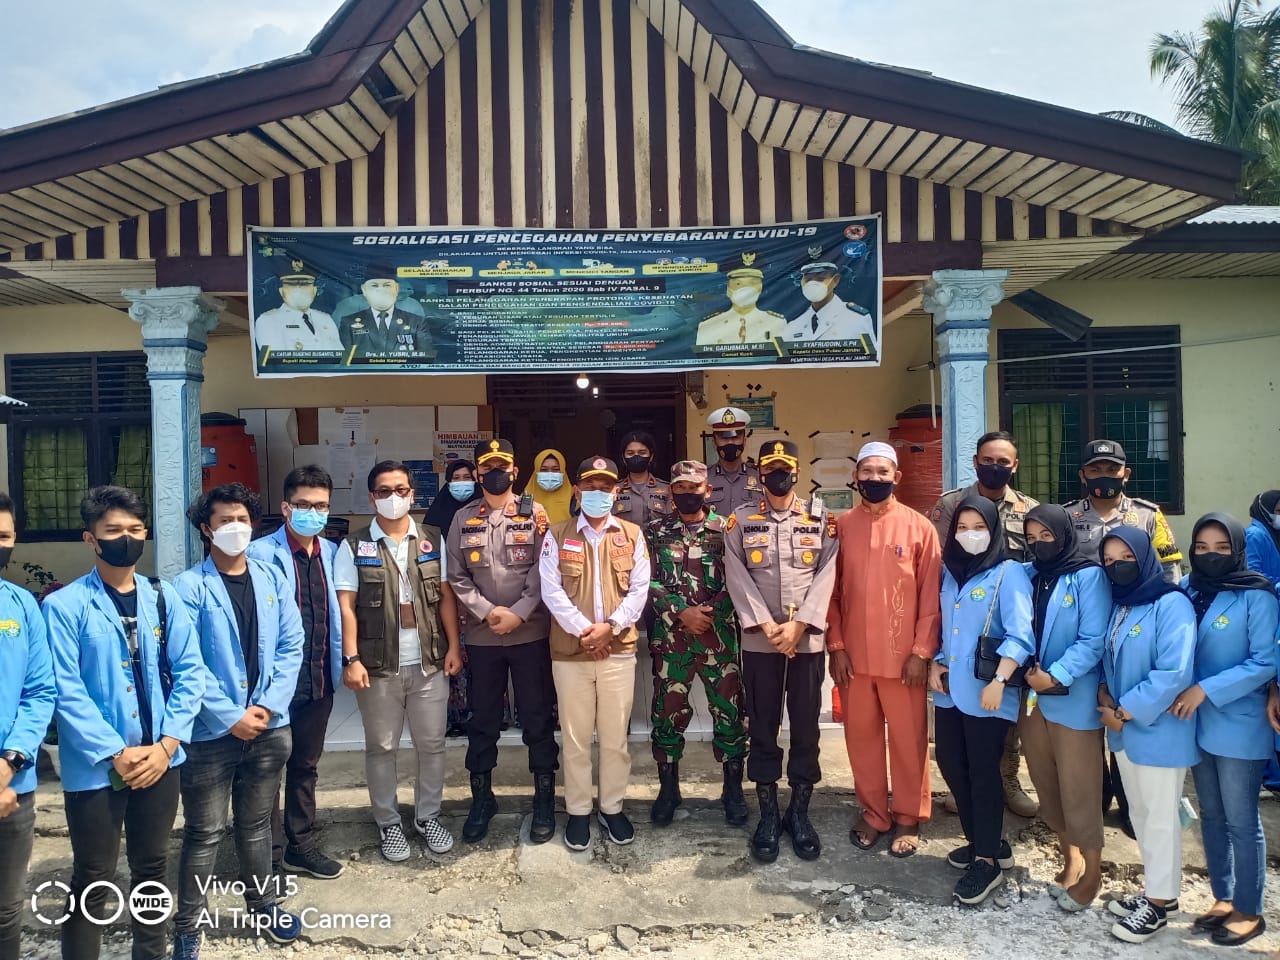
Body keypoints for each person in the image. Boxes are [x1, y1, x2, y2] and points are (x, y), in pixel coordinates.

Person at [42, 486, 204, 960]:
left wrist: (167, 745)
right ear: (90, 538)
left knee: (152, 868)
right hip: (96, 767)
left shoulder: (162, 597)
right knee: (93, 873)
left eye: (135, 530)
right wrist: (116, 751)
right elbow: (65, 689)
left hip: (161, 760)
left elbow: (191, 672)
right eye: (114, 531)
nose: (126, 539)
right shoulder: (65, 606)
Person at [171, 483, 305, 954]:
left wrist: (266, 707)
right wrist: (230, 715)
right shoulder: (187, 588)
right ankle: (188, 926)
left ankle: (263, 906)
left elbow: (292, 646)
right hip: (211, 734)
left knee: (256, 825)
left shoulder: (272, 577)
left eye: (243, 519)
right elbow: (187, 663)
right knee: (204, 832)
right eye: (225, 521)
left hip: (269, 728)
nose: (236, 528)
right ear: (206, 529)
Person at [336, 461, 462, 862]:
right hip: (378, 666)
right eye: (385, 491)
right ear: (372, 497)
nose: (394, 498)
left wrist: (454, 648)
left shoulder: (431, 538)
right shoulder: (354, 546)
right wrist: (351, 658)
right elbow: (348, 607)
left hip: (428, 663)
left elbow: (445, 599)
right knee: (382, 746)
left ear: (413, 494)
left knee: (433, 745)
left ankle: (428, 816)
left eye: (401, 490)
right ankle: (389, 823)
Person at [724, 441, 838, 864]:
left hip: (806, 641)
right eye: (770, 468)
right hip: (761, 642)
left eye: (784, 468)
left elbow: (827, 573)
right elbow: (735, 573)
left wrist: (801, 624)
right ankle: (768, 815)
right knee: (763, 728)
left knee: (806, 727)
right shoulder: (740, 520)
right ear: (760, 471)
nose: (778, 475)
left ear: (795, 471)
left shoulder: (820, 517)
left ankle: (800, 813)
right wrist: (768, 625)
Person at [1064, 439, 1183, 840]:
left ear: (1125, 474)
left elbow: (1170, 570)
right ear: (1083, 475)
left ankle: (1132, 805)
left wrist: (1161, 619)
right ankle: (1095, 801)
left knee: (1125, 712)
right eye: (1095, 470)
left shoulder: (1148, 516)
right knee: (1089, 713)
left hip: (1135, 629)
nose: (1103, 478)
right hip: (1082, 633)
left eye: (1111, 470)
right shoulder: (1068, 518)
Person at [827, 442, 941, 858]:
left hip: (903, 661)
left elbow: (932, 594)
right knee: (861, 739)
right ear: (855, 477)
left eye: (882, 472)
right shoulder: (840, 527)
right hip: (853, 660)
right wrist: (835, 645)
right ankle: (875, 813)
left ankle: (909, 816)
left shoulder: (919, 528)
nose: (874, 478)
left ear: (897, 477)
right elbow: (831, 594)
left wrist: (921, 651)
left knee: (909, 741)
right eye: (866, 471)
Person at [447, 440, 558, 844]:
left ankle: (544, 799)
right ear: (478, 473)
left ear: (514, 471)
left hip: (529, 632)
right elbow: (456, 576)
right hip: (483, 635)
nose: (495, 472)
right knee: (483, 720)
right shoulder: (462, 518)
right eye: (487, 467)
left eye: (502, 466)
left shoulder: (536, 513)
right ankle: (482, 799)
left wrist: (520, 611)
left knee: (537, 717)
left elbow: (545, 568)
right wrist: (486, 612)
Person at [1174, 514, 1276, 947]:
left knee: (1241, 819)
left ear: (1236, 549)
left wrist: (1204, 689)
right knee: (1211, 817)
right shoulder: (1187, 590)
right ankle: (1223, 896)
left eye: (1220, 548)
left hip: (1238, 722)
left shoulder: (1257, 596)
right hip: (1194, 723)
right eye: (1201, 547)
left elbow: (1264, 662)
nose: (1210, 555)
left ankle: (1250, 910)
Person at [539, 456, 650, 852]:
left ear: (616, 492)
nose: (598, 494)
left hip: (618, 651)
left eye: (606, 488)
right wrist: (585, 632)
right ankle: (579, 811)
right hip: (571, 653)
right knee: (576, 738)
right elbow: (550, 590)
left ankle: (612, 806)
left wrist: (610, 628)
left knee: (616, 738)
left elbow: (639, 591)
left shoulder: (633, 534)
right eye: (591, 487)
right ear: (577, 491)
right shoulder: (557, 533)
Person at [930, 498, 1034, 906]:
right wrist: (937, 663)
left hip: (989, 692)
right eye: (962, 526)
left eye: (979, 527)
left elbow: (1021, 632)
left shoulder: (1008, 573)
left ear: (993, 530)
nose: (970, 534)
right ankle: (983, 842)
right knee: (951, 764)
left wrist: (1001, 678)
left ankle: (987, 859)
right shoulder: (950, 572)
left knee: (983, 773)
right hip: (952, 690)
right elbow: (947, 628)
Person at [245, 466, 345, 883]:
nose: (312, 512)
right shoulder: (257, 554)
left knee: (306, 765)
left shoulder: (335, 553)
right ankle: (265, 857)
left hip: (319, 675)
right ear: (286, 507)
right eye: (303, 505)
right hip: (272, 685)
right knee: (266, 769)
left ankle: (300, 847)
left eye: (320, 506)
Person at [932, 431, 1040, 820]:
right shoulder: (950, 505)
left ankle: (1008, 781)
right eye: (987, 460)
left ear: (1015, 466)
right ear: (975, 461)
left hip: (1010, 621)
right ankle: (967, 790)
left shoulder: (1030, 509)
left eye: (1003, 462)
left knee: (1001, 722)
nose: (994, 468)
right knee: (961, 723)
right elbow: (943, 560)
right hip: (963, 621)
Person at [1096, 526, 1196, 944]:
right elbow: (1110, 655)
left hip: (1157, 731)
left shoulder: (1171, 604)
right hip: (1124, 732)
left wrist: (1123, 710)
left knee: (1158, 819)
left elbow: (1173, 673)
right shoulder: (1122, 604)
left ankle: (1157, 906)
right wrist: (1104, 690)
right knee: (1140, 814)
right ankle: (1159, 893)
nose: (1116, 565)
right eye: (1109, 559)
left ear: (1145, 556)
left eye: (1126, 557)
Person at [1017, 505, 1110, 912]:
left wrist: (1054, 676)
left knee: (1080, 787)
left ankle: (1093, 871)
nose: (1039, 544)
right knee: (1045, 780)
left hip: (1071, 697)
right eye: (1031, 537)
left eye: (1046, 536)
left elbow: (1093, 639)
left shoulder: (1089, 576)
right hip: (1032, 701)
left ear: (1065, 534)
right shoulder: (1029, 575)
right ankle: (1069, 857)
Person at [646, 460, 747, 827]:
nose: (688, 494)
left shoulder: (727, 530)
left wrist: (709, 613)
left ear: (708, 490)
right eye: (680, 488)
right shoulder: (655, 531)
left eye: (695, 487)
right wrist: (679, 612)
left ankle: (732, 790)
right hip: (672, 643)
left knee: (730, 714)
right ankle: (668, 789)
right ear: (671, 491)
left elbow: (739, 579)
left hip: (718, 641)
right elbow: (646, 580)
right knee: (667, 715)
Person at [0, 491, 56, 960]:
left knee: (6, 911)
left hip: (12, 786)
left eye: (3, 536)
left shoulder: (20, 605)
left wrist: (10, 762)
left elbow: (40, 692)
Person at [425, 459, 481, 737]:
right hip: (447, 598)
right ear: (447, 481)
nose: (462, 482)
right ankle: (455, 717)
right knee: (452, 655)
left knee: (482, 661)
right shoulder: (437, 516)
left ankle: (488, 713)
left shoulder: (485, 511)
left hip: (481, 599)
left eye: (467, 477)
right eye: (456, 477)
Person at [338, 262, 435, 359]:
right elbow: (338, 350)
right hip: (360, 371)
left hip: (404, 371)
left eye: (387, 284)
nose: (381, 289)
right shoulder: (348, 306)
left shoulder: (412, 307)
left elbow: (425, 355)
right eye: (375, 285)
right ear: (365, 288)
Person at [253, 258, 343, 355]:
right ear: (281, 291)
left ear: (314, 290)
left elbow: (340, 355)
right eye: (292, 285)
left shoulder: (325, 318)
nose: (299, 289)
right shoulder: (269, 320)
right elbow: (274, 362)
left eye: (305, 284)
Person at [783, 261, 876, 350]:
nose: (813, 284)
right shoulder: (794, 325)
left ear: (835, 280)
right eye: (808, 279)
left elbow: (871, 359)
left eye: (820, 279)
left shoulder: (857, 319)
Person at [695, 255, 786, 346]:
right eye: (738, 283)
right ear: (728, 290)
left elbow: (782, 356)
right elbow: (703, 356)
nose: (745, 289)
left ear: (760, 288)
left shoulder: (775, 322)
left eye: (752, 283)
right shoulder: (709, 325)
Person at [704, 406, 762, 515]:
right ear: (714, 442)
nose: (730, 442)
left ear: (744, 441)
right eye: (724, 438)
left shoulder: (760, 476)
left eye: (735, 438)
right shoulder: (703, 478)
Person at [614, 430, 671, 528]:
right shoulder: (614, 489)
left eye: (642, 452)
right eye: (630, 453)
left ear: (651, 456)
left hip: (656, 542)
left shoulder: (667, 489)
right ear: (623, 458)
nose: (636, 456)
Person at [527, 448, 574, 524]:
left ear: (563, 471)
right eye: (544, 470)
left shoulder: (575, 500)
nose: (550, 473)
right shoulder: (524, 501)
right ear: (536, 472)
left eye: (555, 469)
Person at [1244, 490, 1280, 586]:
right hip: (1265, 593)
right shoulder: (1254, 535)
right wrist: (1277, 584)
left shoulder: (1275, 533)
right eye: (1279, 511)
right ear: (1265, 511)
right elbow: (1252, 573)